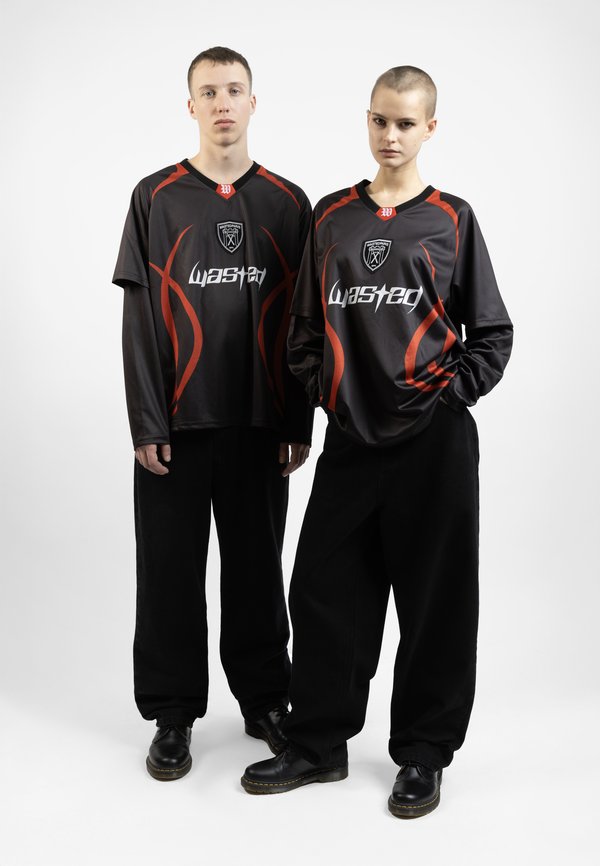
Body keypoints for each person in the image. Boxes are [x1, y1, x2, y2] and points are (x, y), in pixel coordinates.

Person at [241, 65, 513, 817]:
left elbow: (492, 332)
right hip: (353, 440)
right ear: (367, 120)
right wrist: (332, 393)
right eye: (380, 120)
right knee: (324, 589)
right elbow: (303, 330)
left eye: (406, 123)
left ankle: (423, 754)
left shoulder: (452, 219)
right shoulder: (332, 216)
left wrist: (447, 395)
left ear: (430, 129)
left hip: (434, 445)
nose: (391, 136)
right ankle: (318, 744)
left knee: (435, 601)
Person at [112, 46, 313, 781]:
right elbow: (138, 320)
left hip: (260, 425)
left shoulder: (289, 203)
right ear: (190, 105)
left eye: (234, 90)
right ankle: (172, 713)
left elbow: (305, 324)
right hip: (176, 424)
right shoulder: (155, 197)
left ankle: (266, 702)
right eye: (209, 91)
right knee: (169, 572)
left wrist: (298, 421)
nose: (222, 103)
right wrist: (146, 422)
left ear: (253, 103)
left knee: (258, 571)